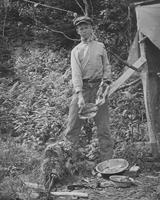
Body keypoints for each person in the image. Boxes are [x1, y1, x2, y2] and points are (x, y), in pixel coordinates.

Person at [64, 16, 114, 162]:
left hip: (99, 88)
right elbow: (76, 73)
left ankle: (108, 163)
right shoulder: (76, 51)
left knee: (103, 128)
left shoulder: (100, 46)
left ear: (91, 28)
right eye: (81, 28)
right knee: (72, 127)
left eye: (86, 27)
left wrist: (104, 87)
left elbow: (107, 67)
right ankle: (69, 163)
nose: (84, 30)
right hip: (83, 90)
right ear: (77, 31)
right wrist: (79, 95)